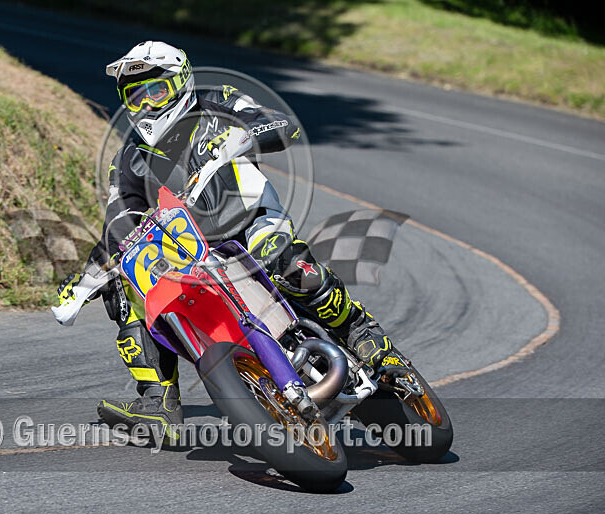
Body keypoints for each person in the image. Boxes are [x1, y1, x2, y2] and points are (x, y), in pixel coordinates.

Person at [55, 41, 409, 433]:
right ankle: (158, 400)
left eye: (158, 89)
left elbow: (281, 124)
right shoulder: (128, 157)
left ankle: (363, 335)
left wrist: (239, 138)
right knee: (124, 284)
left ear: (181, 80)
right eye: (136, 96)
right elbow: (120, 217)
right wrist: (89, 277)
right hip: (189, 250)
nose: (149, 102)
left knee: (287, 264)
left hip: (251, 219)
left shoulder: (217, 101)